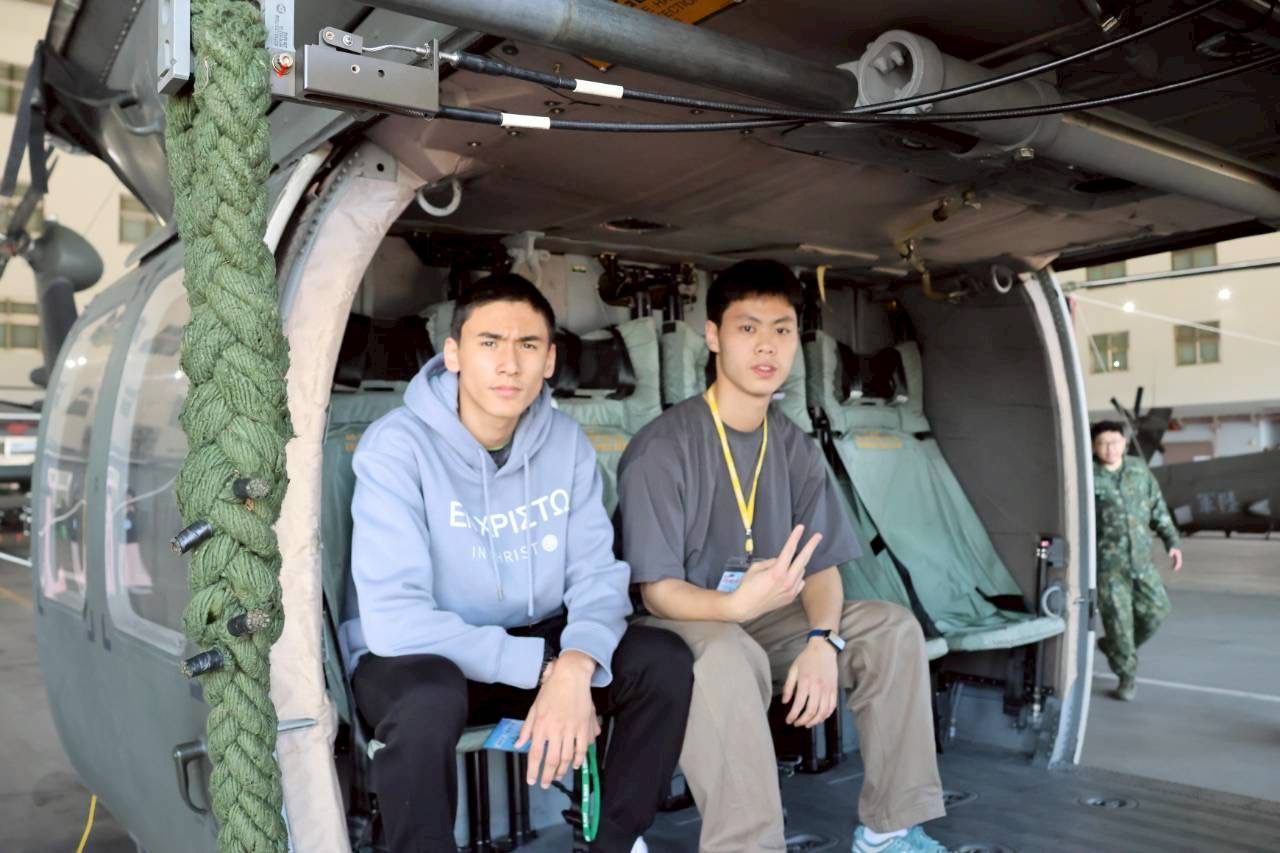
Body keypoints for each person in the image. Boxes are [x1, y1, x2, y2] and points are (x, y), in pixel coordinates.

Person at [341, 273, 693, 852]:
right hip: (421, 656)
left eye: (528, 345)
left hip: (538, 643)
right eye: (489, 343)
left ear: (549, 360)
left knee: (663, 661)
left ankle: (613, 842)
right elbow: (396, 621)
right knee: (428, 699)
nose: (509, 364)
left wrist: (576, 662)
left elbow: (596, 575)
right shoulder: (395, 447)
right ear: (453, 354)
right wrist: (546, 670)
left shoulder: (566, 442)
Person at [617, 259, 947, 853]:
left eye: (782, 329)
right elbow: (657, 592)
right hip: (678, 624)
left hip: (766, 618)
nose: (766, 345)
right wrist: (733, 607)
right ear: (713, 336)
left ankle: (888, 831)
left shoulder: (793, 445)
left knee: (891, 630)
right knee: (726, 653)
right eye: (747, 328)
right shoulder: (662, 448)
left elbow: (821, 567)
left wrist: (822, 640)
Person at [1091, 420, 1183, 702]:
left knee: (1157, 611)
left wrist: (1172, 542)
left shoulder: (1138, 471)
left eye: (1114, 442)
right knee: (1119, 624)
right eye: (1103, 443)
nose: (1110, 448)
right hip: (1108, 568)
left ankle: (1114, 647)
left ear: (1124, 443)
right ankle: (1126, 676)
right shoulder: (1087, 477)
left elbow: (1157, 508)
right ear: (1094, 446)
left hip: (1142, 562)